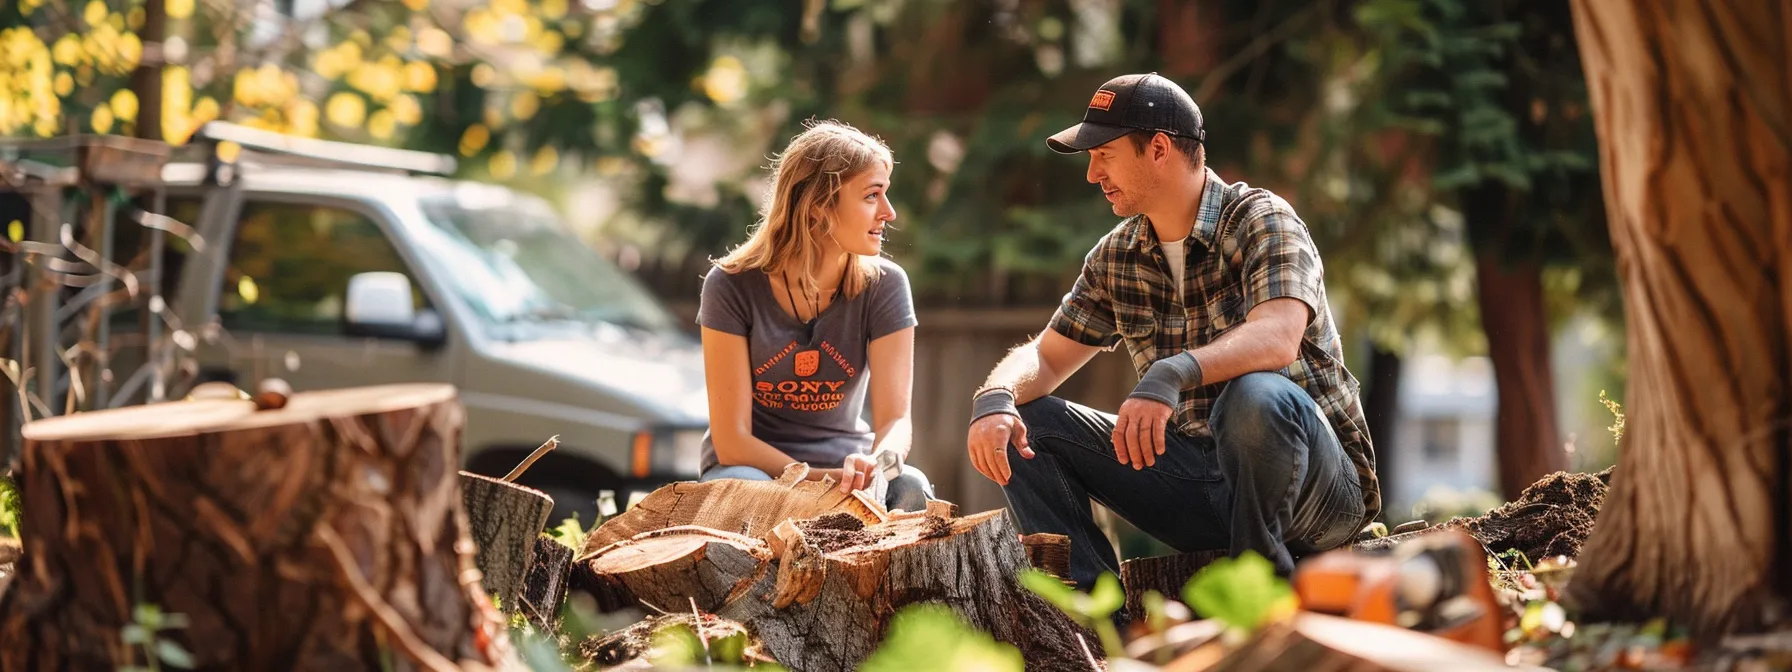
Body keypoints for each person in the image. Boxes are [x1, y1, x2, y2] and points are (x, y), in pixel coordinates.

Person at [964, 74, 1380, 588]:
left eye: (1104, 153)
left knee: (1252, 395)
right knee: (1026, 422)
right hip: (1200, 487)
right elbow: (1046, 360)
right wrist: (995, 399)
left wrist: (1173, 371)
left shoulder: (1263, 219)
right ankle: (1093, 628)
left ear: (1158, 148)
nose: (1092, 173)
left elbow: (1277, 337)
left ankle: (1260, 596)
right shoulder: (1117, 255)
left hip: (1315, 491)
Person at [696, 119, 934, 512]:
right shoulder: (730, 285)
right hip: (754, 470)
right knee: (749, 491)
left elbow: (896, 421)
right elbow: (731, 440)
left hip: (848, 468)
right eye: (872, 196)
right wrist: (818, 479)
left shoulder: (886, 286)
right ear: (818, 207)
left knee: (910, 486)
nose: (889, 213)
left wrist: (877, 464)